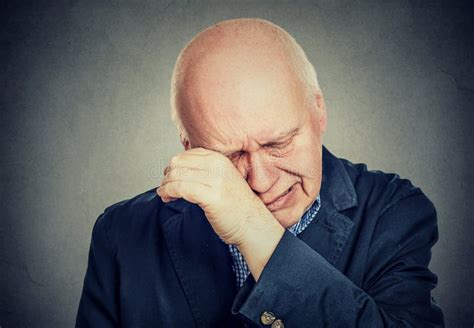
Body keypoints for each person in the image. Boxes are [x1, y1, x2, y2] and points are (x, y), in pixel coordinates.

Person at [75, 18, 444, 327]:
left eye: (278, 143)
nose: (262, 183)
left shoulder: (394, 211)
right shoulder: (121, 233)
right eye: (230, 155)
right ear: (189, 149)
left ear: (319, 112)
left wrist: (255, 231)